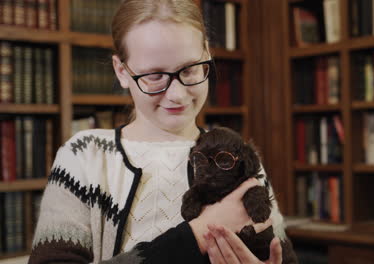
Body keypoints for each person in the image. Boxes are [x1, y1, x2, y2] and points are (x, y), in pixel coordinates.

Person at [29, 0, 294, 263]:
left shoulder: (234, 156)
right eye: (155, 76)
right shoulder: (84, 156)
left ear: (207, 55)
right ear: (121, 71)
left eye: (189, 70)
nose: (177, 95)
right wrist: (197, 235)